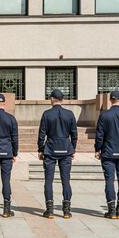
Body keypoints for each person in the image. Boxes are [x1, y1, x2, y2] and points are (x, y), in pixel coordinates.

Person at [95, 90, 119, 220]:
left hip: (108, 153)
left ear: (110, 100)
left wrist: (97, 149)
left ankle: (111, 210)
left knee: (109, 181)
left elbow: (99, 135)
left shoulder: (104, 115)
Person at [38, 89, 77, 219]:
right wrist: (73, 149)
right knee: (66, 180)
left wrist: (41, 149)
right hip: (66, 149)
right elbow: (74, 134)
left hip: (50, 149)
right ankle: (66, 211)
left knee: (48, 180)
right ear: (62, 99)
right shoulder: (69, 114)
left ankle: (49, 210)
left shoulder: (47, 114)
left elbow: (42, 134)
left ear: (52, 99)